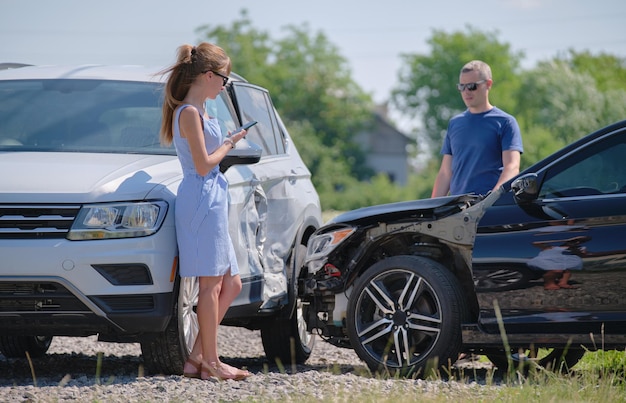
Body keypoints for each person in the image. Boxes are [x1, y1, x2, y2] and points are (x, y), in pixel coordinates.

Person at [160, 42, 251, 381]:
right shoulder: (188, 113)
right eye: (224, 79)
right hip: (201, 198)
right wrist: (229, 144)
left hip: (212, 198)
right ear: (209, 75)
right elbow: (201, 166)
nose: (225, 85)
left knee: (233, 283)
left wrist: (226, 139)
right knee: (210, 285)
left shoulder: (201, 112)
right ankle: (211, 363)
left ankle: (197, 356)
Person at [431, 60, 523, 197]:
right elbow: (445, 172)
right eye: (462, 87)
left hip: (490, 209)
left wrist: (492, 199)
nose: (466, 91)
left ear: (488, 84)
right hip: (457, 209)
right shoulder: (455, 123)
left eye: (472, 86)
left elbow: (512, 167)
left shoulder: (506, 122)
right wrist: (433, 211)